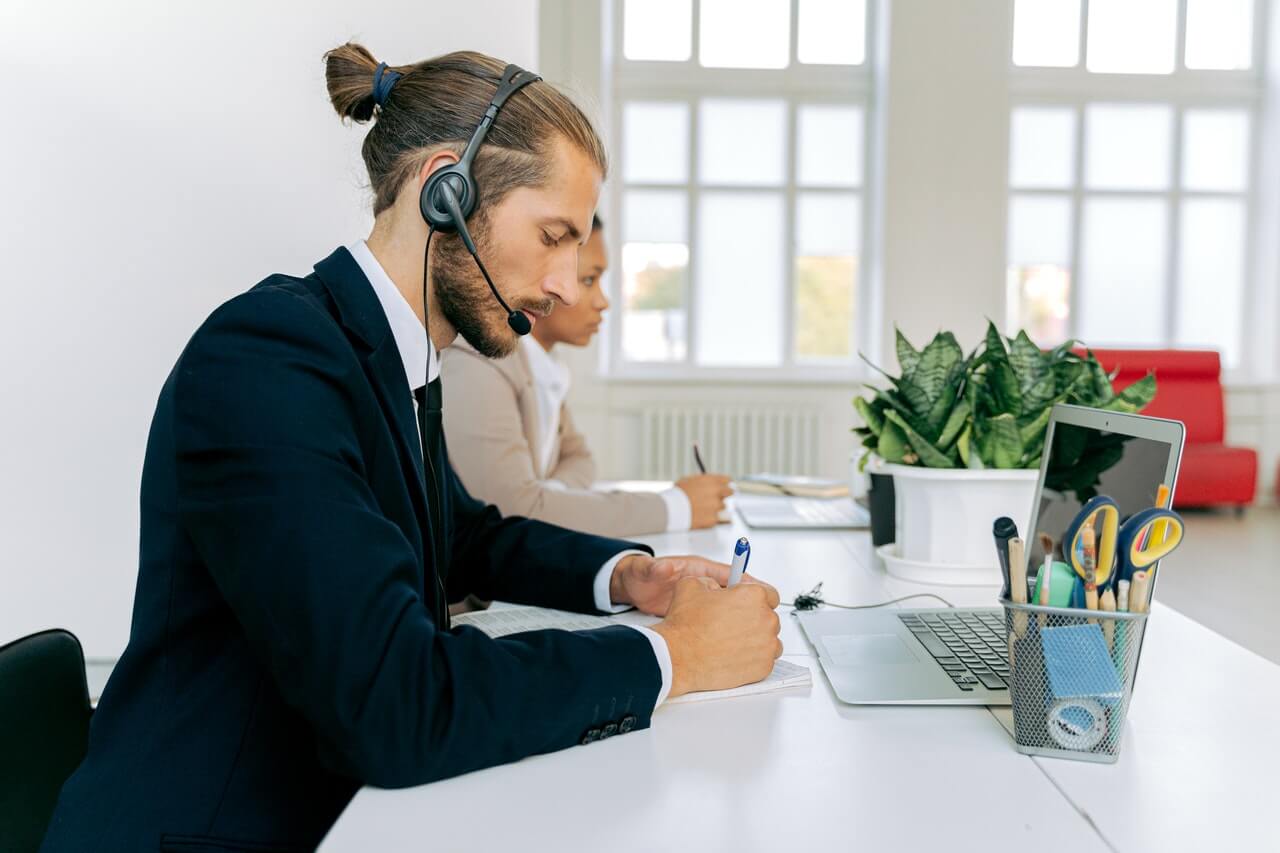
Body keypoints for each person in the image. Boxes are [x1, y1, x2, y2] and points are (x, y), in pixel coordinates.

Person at [38, 46, 781, 852]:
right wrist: (671, 654)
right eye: (553, 235)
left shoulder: (391, 357)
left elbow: (462, 535)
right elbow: (396, 704)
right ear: (445, 190)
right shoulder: (266, 358)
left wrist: (630, 575)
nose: (568, 283)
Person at [441, 215, 732, 538]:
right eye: (590, 280)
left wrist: (548, 496)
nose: (603, 302)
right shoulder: (477, 363)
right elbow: (514, 512)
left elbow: (579, 458)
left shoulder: (542, 365)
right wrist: (676, 507)